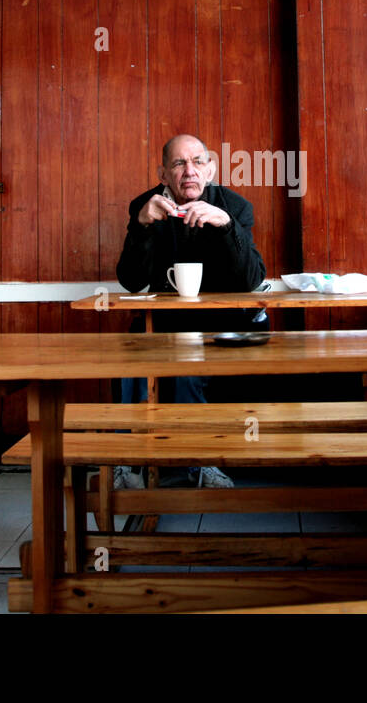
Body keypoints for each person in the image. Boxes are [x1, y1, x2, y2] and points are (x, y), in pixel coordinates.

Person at [115, 134, 267, 489]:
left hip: (223, 323)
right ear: (163, 174)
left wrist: (226, 225)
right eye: (179, 164)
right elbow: (131, 282)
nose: (189, 172)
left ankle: (199, 463)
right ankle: (129, 461)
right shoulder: (145, 205)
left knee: (189, 361)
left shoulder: (234, 206)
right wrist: (141, 226)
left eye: (198, 162)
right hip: (164, 323)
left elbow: (252, 279)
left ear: (210, 169)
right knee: (128, 357)